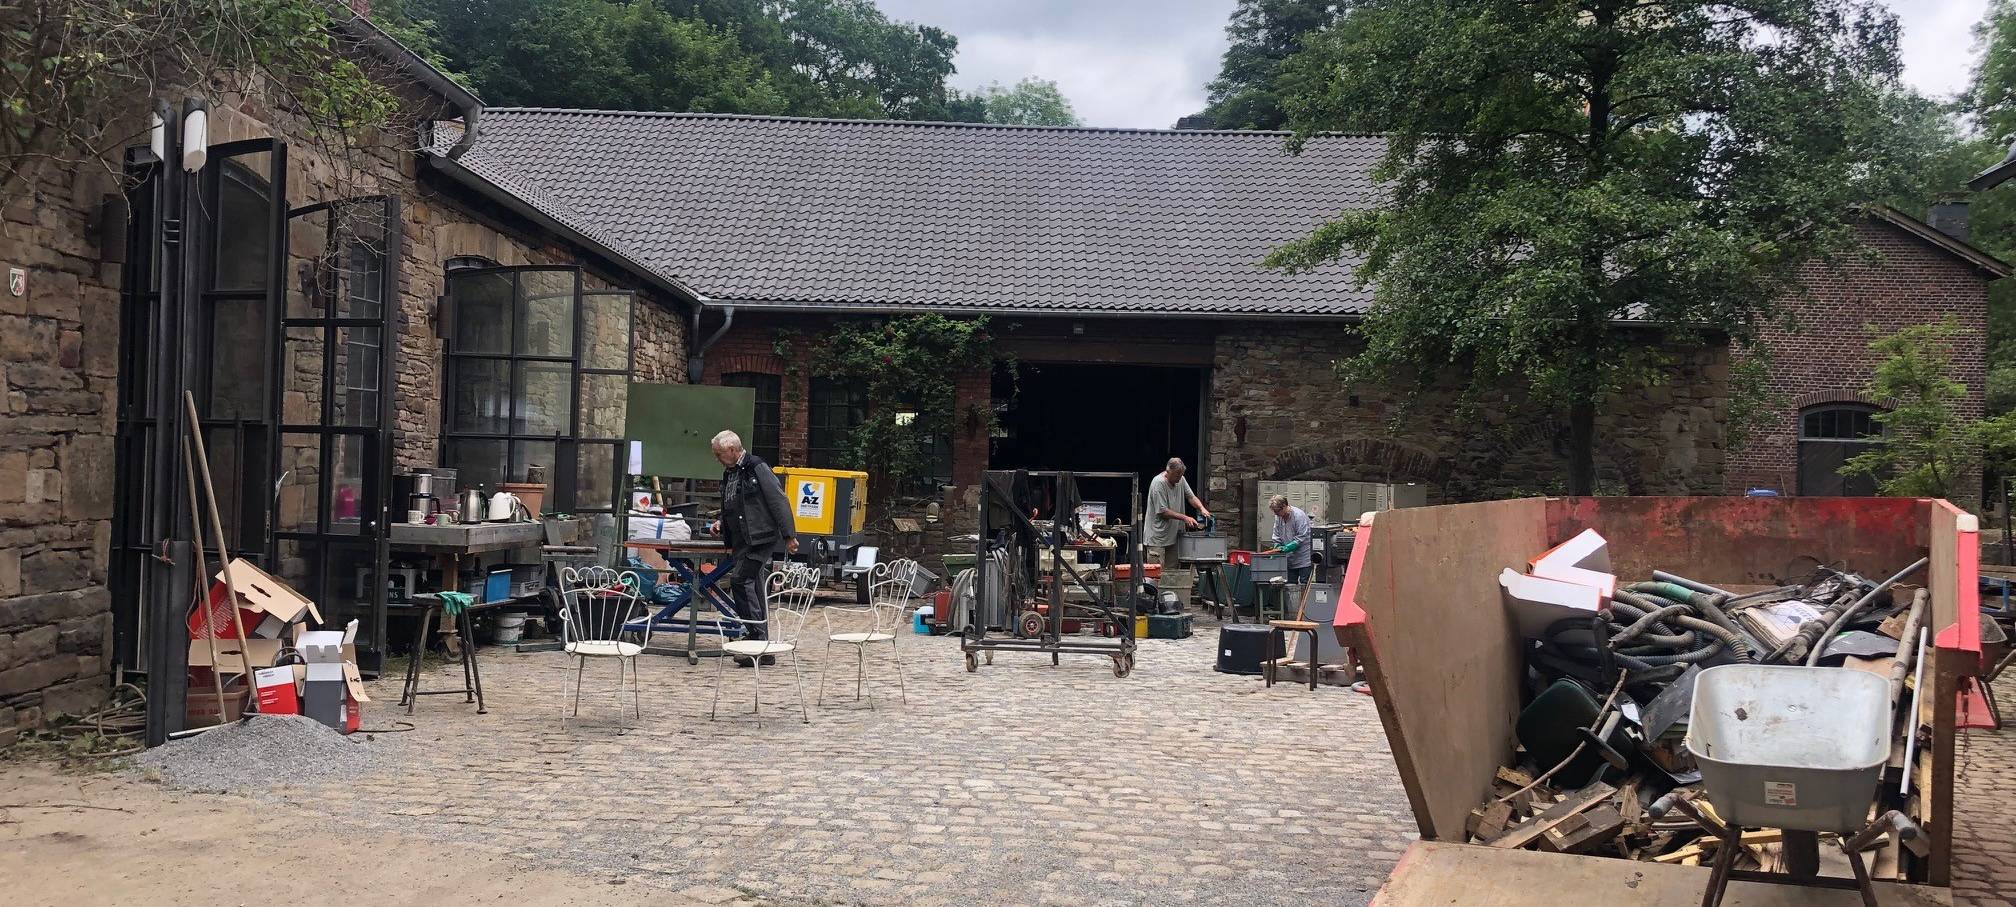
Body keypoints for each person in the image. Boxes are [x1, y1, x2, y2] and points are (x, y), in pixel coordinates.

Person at [709, 430, 797, 664]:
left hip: (761, 537)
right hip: (743, 539)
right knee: (754, 587)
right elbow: (732, 503)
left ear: (731, 450)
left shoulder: (756, 467)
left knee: (740, 580)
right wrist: (721, 522)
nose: (717, 458)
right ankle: (762, 648)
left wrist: (789, 535)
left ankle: (755, 638)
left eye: (719, 454)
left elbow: (778, 499)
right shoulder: (730, 473)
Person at [1144, 457, 1210, 568]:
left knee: (1171, 573)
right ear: (1168, 471)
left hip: (1173, 537)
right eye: (1176, 475)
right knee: (1156, 574)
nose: (1179, 478)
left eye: (1181, 475)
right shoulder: (1158, 483)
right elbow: (1162, 512)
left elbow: (1191, 497)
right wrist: (1185, 518)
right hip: (1157, 538)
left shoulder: (1181, 479)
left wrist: (1201, 508)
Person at [1262, 494, 1314, 585]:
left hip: (1303, 558)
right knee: (1290, 585)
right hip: (1289, 559)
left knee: (1304, 585)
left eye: (1277, 511)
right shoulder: (1279, 517)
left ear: (1284, 507)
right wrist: (1277, 546)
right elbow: (1277, 533)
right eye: (1274, 511)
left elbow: (1301, 536)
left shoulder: (1298, 516)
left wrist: (1288, 547)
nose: (1275, 513)